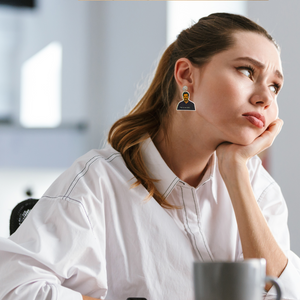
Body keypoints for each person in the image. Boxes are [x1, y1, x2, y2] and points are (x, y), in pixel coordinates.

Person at [0, 12, 300, 300]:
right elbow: (14, 289)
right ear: (186, 75)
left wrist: (236, 174)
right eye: (247, 71)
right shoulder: (98, 183)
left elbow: (287, 295)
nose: (265, 97)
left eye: (275, 86)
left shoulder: (257, 188)